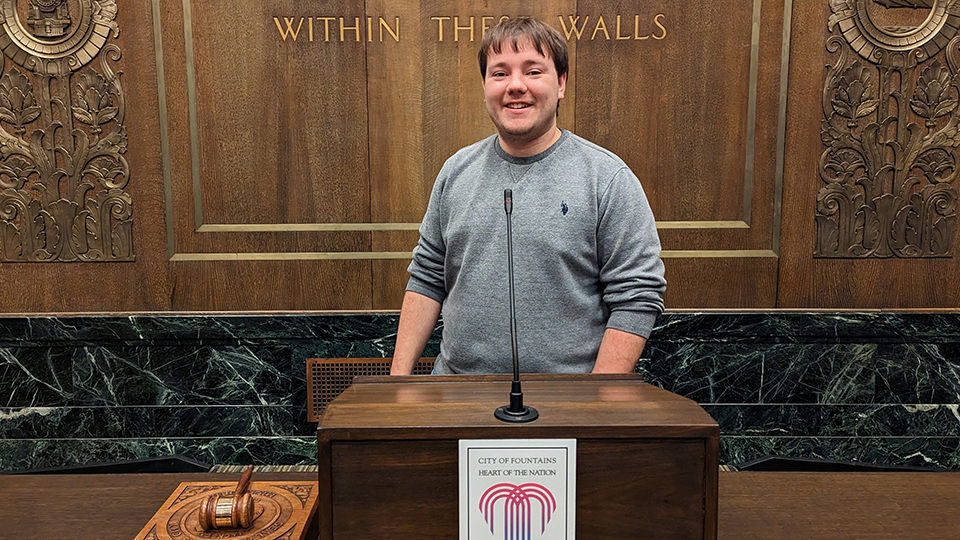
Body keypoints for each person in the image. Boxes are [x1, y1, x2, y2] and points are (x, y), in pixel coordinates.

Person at [390, 16, 665, 375]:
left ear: (561, 83)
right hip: (456, 398)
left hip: (568, 405)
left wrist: (597, 400)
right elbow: (427, 277)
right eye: (500, 73)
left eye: (533, 72)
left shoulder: (606, 178)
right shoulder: (455, 172)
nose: (515, 86)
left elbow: (637, 295)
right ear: (485, 85)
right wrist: (398, 383)